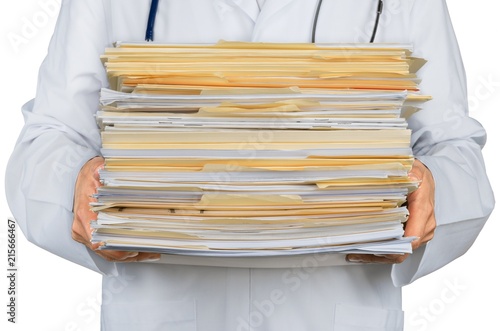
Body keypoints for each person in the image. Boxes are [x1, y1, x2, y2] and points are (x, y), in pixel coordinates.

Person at [5, 0, 494, 330]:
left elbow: (454, 148)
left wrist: (433, 190)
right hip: (163, 309)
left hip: (335, 310)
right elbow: (47, 139)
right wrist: (77, 182)